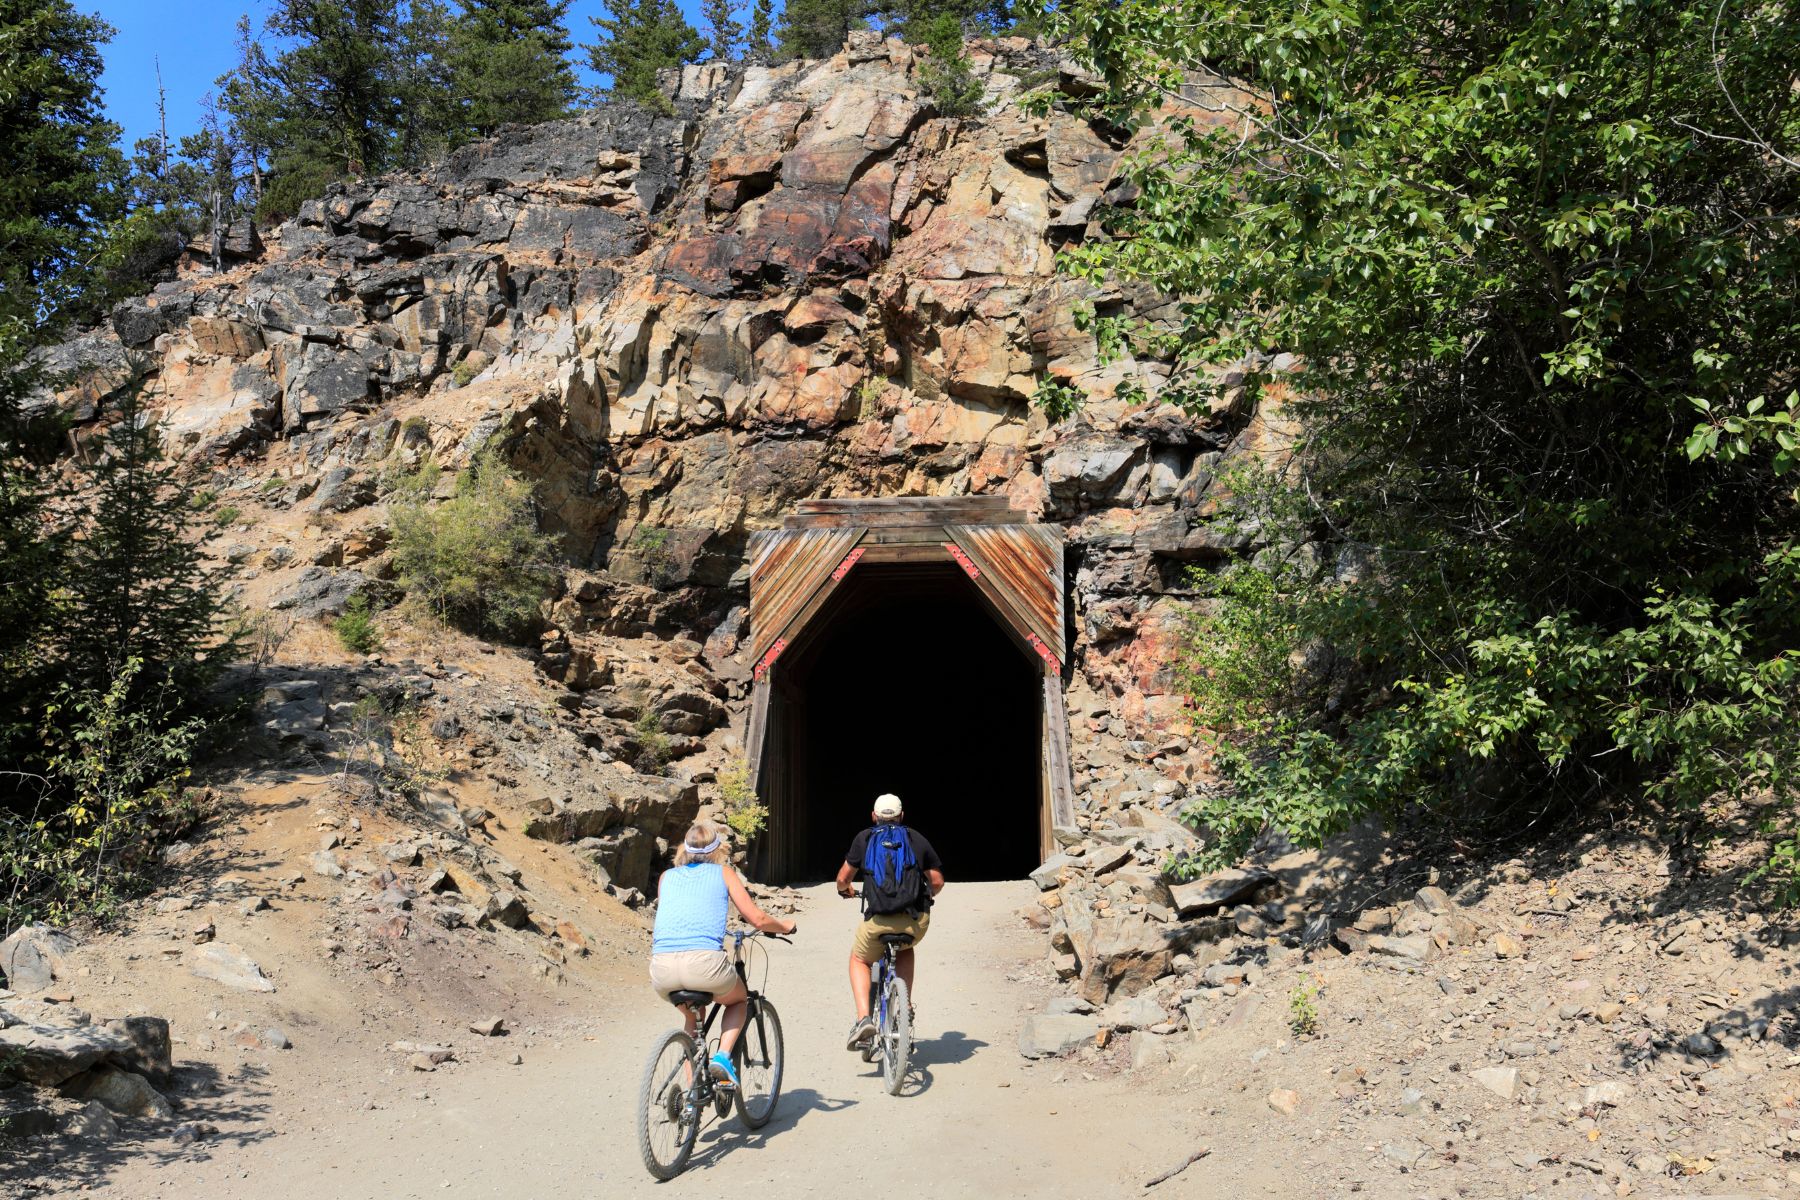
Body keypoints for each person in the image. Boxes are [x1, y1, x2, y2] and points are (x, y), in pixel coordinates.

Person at [649, 820, 796, 1089]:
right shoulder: (724, 873)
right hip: (704, 964)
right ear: (718, 850)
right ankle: (723, 1057)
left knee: (693, 1018)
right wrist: (786, 926)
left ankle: (692, 1098)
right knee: (739, 1001)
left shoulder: (666, 877)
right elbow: (757, 918)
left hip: (662, 968)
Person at [835, 793, 944, 1051]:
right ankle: (904, 1007)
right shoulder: (916, 839)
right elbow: (937, 881)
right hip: (914, 922)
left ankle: (863, 1019)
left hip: (878, 922)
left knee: (859, 959)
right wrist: (926, 894)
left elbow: (842, 878)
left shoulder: (865, 838)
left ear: (873, 816)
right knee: (906, 947)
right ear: (902, 815)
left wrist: (846, 890)